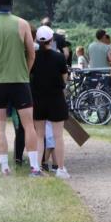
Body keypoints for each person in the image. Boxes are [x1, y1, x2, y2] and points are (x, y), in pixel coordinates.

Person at [0, 0, 41, 176]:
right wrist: (25, 72)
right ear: (12, 4)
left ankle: (5, 167)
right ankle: (35, 167)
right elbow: (32, 53)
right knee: (28, 125)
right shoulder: (22, 24)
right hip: (20, 80)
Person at [30, 25, 70, 179]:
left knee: (39, 135)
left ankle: (37, 167)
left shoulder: (33, 57)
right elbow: (64, 78)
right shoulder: (59, 57)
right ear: (51, 39)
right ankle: (60, 168)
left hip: (38, 98)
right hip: (56, 98)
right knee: (58, 135)